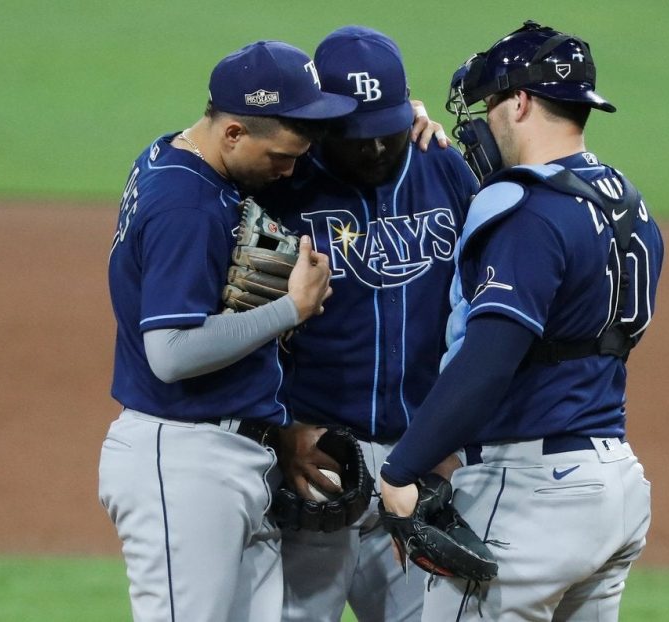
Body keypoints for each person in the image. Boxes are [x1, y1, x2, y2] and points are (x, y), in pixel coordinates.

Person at [380, 20, 665, 621]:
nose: (485, 121)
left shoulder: (528, 213)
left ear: (521, 102)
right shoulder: (625, 202)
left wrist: (402, 468)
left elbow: (489, 361)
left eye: (491, 104)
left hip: (532, 497)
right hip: (614, 484)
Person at [97, 40, 359, 622]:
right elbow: (169, 352)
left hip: (232, 454)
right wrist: (290, 309)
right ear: (235, 133)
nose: (292, 170)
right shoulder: (186, 205)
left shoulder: (178, 154)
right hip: (183, 458)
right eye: (282, 157)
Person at [253, 26, 480, 622]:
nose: (376, 151)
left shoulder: (446, 171)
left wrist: (454, 441)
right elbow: (239, 324)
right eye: (357, 138)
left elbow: (487, 317)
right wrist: (278, 430)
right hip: (316, 459)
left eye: (387, 133)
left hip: (424, 463)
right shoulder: (282, 184)